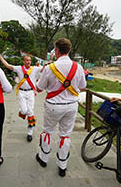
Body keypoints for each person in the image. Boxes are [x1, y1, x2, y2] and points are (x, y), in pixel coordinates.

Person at [35, 38, 86, 177]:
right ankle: (62, 165)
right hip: (71, 106)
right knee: (65, 135)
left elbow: (39, 88)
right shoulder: (78, 67)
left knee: (47, 131)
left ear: (56, 50)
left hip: (53, 105)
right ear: (68, 50)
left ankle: (43, 158)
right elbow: (83, 86)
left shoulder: (50, 67)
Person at [0, 53, 44, 142]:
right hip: (21, 92)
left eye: (30, 60)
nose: (29, 62)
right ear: (23, 61)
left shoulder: (34, 69)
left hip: (31, 92)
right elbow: (8, 66)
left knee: (30, 111)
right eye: (27, 60)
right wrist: (0, 56)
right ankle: (23, 114)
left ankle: (30, 132)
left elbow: (45, 68)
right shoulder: (19, 68)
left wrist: (50, 60)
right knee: (24, 111)